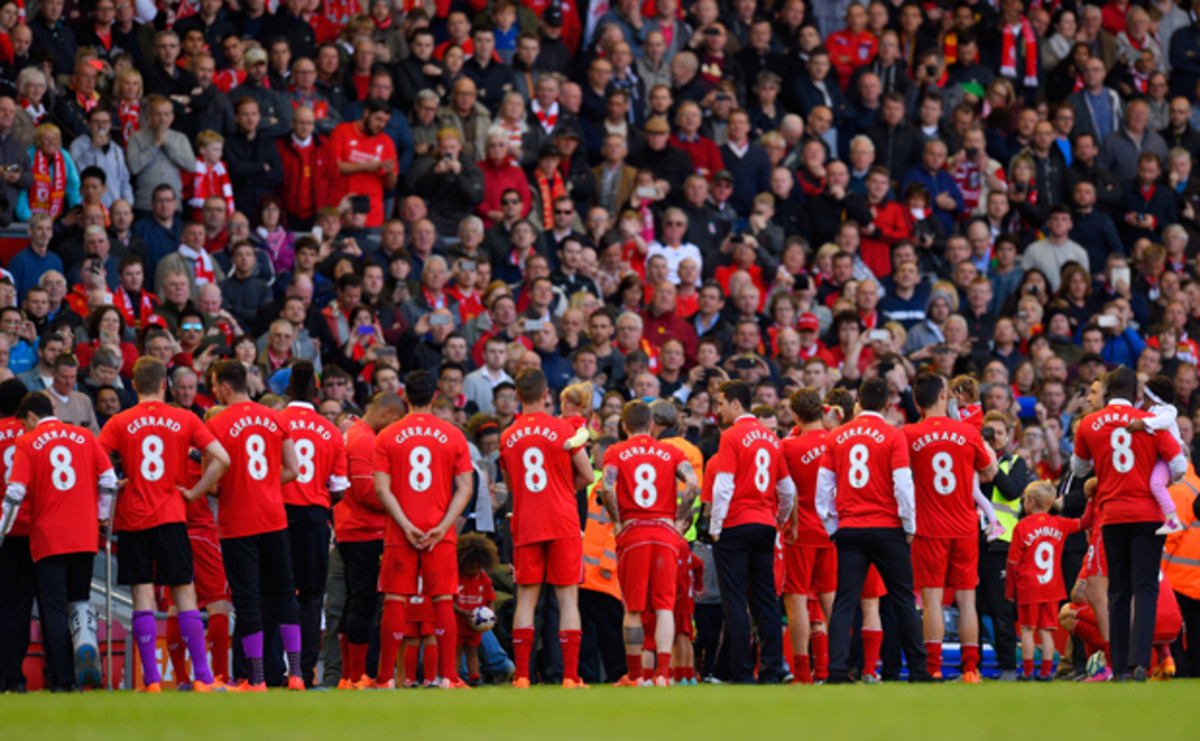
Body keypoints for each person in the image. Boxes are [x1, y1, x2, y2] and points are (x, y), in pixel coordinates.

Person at [97, 356, 231, 692]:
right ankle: (203, 678)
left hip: (133, 518)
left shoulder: (119, 421)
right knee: (184, 593)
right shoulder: (185, 418)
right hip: (172, 515)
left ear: (133, 386)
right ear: (164, 385)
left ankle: (151, 681)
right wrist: (196, 491)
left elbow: (94, 461)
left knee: (143, 596)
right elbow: (223, 458)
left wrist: (116, 483)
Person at [1071, 365, 1187, 680]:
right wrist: (1158, 476)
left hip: (1112, 515)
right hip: (1149, 515)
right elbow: (1179, 465)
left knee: (1118, 592)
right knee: (1145, 589)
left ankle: (1119, 667)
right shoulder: (1150, 422)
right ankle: (1141, 664)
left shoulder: (1089, 423)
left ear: (1108, 390)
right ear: (1136, 392)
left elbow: (1078, 469)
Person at [816, 376, 931, 683]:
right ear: (887, 404)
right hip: (888, 528)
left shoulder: (837, 436)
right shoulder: (893, 435)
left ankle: (837, 671)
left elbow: (824, 487)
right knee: (903, 600)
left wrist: (832, 526)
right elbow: (903, 484)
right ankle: (918, 670)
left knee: (845, 601)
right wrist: (909, 524)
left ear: (858, 402)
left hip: (851, 528)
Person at [3, 392, 116, 691]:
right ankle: (85, 658)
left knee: (53, 608)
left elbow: (15, 491)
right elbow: (108, 479)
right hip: (85, 535)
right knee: (78, 604)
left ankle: (63, 679)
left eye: (24, 423)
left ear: (31, 417)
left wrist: (2, 529)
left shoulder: (28, 442)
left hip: (49, 536)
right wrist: (102, 516)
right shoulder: (84, 435)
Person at [372, 369, 475, 690]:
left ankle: (385, 679)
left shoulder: (387, 435)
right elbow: (466, 488)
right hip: (438, 531)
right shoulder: (453, 434)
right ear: (435, 396)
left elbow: (381, 488)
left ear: (405, 396)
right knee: (443, 600)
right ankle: (449, 677)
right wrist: (442, 527)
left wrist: (405, 525)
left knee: (394, 600)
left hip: (400, 531)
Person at [205, 359, 304, 691]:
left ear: (225, 387)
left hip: (238, 522)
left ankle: (257, 678)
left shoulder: (216, 424)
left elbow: (211, 483)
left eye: (215, 386)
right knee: (286, 593)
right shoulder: (275, 417)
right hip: (274, 517)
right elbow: (293, 469)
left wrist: (238, 487)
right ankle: (296, 674)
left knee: (247, 600)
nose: (214, 391)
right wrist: (264, 486)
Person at [498, 368, 593, 687]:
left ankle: (523, 676)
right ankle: (570, 676)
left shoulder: (508, 435)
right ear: (545, 394)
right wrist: (562, 489)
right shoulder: (563, 429)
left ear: (517, 396)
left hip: (527, 522)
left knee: (525, 599)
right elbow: (587, 475)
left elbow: (512, 485)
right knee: (567, 600)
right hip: (563, 521)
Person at [597, 399, 700, 687]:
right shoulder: (671, 451)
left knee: (633, 608)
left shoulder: (616, 451)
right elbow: (693, 484)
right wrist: (679, 520)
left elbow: (607, 487)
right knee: (665, 606)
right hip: (665, 532)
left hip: (634, 532)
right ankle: (663, 674)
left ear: (624, 426)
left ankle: (635, 676)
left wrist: (617, 522)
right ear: (651, 424)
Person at [904, 373, 999, 682]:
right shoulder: (968, 432)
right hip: (964, 526)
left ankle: (933, 668)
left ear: (916, 401)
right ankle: (970, 669)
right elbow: (989, 471)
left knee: (931, 601)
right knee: (967, 600)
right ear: (944, 395)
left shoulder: (908, 434)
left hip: (928, 526)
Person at [709, 379, 795, 684]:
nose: (719, 410)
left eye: (721, 404)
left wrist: (715, 526)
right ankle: (771, 670)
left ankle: (742, 672)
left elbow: (724, 485)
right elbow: (787, 490)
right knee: (766, 601)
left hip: (735, 524)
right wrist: (779, 518)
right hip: (765, 524)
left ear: (736, 403)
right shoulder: (772, 439)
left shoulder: (731, 436)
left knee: (735, 601)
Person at [280, 361, 348, 688]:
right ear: (316, 391)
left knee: (276, 594)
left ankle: (269, 670)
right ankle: (304, 673)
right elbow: (340, 488)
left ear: (288, 389)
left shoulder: (274, 422)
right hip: (314, 518)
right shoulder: (330, 431)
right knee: (311, 598)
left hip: (277, 515)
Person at [332, 391, 405, 689]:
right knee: (363, 602)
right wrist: (400, 501)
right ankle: (356, 675)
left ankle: (349, 676)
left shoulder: (352, 434)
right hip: (364, 531)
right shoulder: (364, 440)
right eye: (396, 421)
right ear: (387, 413)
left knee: (354, 600)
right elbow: (366, 492)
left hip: (351, 527)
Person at [1006, 480, 1093, 680]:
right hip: (1052, 587)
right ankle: (1046, 672)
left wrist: (1010, 591)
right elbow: (1084, 522)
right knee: (1046, 631)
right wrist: (1090, 500)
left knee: (1027, 630)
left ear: (1030, 502)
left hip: (1028, 587)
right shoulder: (1059, 523)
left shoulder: (1021, 527)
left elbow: (1012, 563)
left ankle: (1028, 672)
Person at [780, 387, 835, 685]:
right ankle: (836, 666)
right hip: (833, 530)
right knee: (830, 599)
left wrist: (786, 522)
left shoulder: (787, 447)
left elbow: (784, 491)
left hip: (799, 531)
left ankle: (802, 672)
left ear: (795, 415)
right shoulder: (837, 440)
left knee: (797, 599)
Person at [0, 378, 32, 693]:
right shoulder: (32, 435)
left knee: (5, 603)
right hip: (31, 527)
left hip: (3, 527)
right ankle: (16, 677)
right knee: (24, 606)